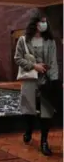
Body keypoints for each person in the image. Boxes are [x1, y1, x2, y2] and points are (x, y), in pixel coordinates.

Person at [14, 13, 58, 156]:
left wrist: (54, 80)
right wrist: (34, 66)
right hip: (29, 80)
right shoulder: (23, 40)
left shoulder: (50, 41)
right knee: (28, 110)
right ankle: (28, 130)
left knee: (46, 112)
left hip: (46, 80)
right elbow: (18, 59)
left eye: (46, 22)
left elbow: (53, 62)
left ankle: (44, 142)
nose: (44, 25)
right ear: (35, 24)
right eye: (42, 22)